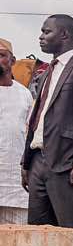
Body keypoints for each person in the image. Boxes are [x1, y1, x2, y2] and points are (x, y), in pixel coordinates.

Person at [22, 14, 73, 228]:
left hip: (66, 164)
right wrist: (26, 162)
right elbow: (37, 118)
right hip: (37, 161)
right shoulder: (47, 71)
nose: (41, 37)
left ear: (64, 35)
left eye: (46, 32)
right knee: (38, 234)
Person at [0, 38, 32, 224]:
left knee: (18, 236)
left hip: (14, 183)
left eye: (1, 55)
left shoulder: (24, 94)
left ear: (12, 61)